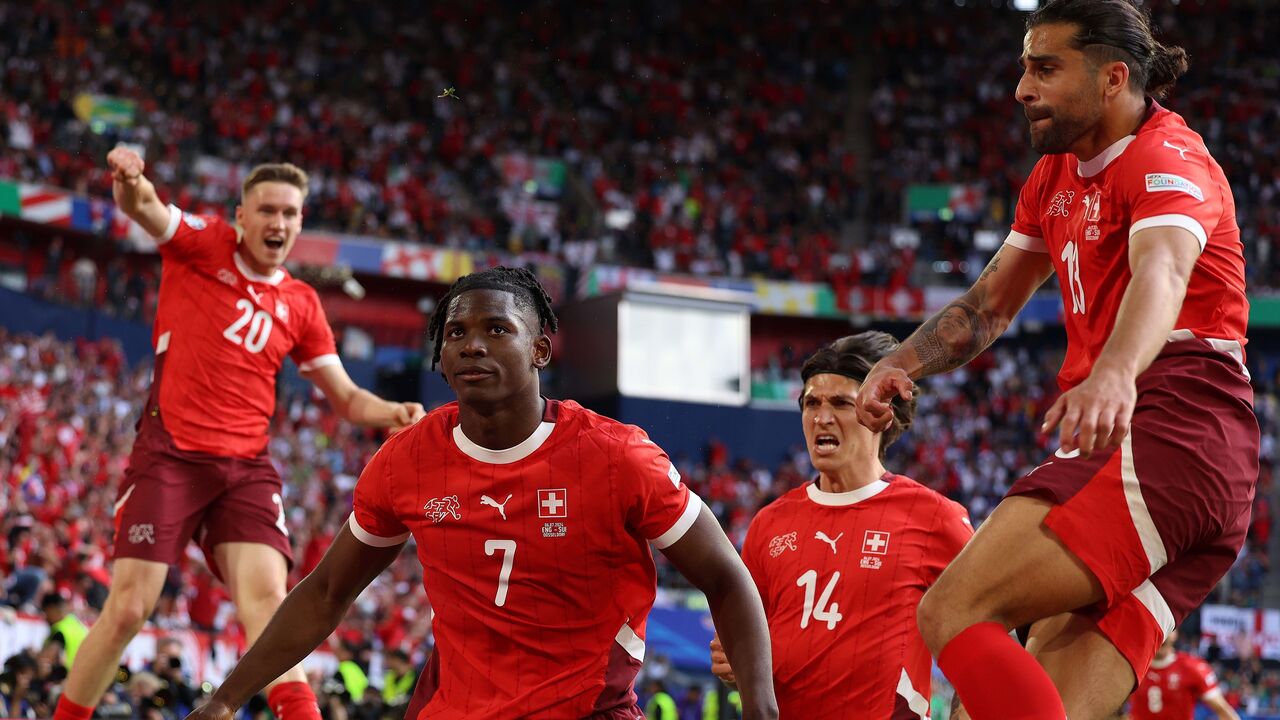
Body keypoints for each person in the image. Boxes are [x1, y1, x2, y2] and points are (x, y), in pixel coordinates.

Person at [854, 1, 1257, 718]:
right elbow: (989, 306)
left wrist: (1115, 373)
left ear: (1113, 78)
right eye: (1023, 69)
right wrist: (903, 363)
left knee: (952, 608)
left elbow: (1164, 270)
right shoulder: (1053, 178)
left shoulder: (1168, 157)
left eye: (1045, 69)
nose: (1021, 89)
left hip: (1169, 429)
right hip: (1188, 465)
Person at [180, 266, 778, 719]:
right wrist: (225, 700)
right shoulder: (406, 462)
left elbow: (727, 578)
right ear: (440, 359)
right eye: (456, 333)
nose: (473, 344)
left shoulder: (617, 456)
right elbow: (327, 592)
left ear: (540, 349)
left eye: (497, 329)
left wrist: (761, 709)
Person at [52, 147, 425, 720]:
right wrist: (130, 178)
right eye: (267, 210)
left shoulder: (301, 303)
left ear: (300, 222)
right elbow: (145, 207)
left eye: (290, 213)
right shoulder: (203, 243)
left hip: (245, 469)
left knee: (270, 607)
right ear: (241, 216)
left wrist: (391, 411)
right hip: (170, 457)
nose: (278, 222)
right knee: (127, 609)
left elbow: (347, 399)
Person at [710, 333, 972, 718]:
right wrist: (736, 665)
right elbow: (750, 648)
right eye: (811, 403)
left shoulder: (934, 518)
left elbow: (985, 631)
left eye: (841, 403)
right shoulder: (769, 523)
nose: (822, 417)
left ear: (881, 413)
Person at [1125, 631, 1239, 720]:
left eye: (1167, 629)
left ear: (1175, 634)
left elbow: (1223, 710)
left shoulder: (1193, 667)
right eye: (1156, 630)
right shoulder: (1130, 666)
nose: (1162, 636)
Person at [41, 592, 88, 669]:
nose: (45, 618)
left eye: (45, 612)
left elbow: (47, 659)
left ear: (52, 609)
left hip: (68, 675)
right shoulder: (79, 625)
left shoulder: (60, 631)